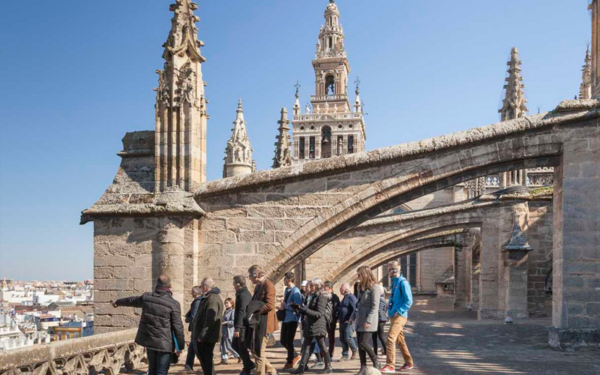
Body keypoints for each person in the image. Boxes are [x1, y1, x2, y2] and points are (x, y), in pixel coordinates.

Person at [111, 275, 184, 375]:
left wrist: (117, 302)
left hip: (150, 342)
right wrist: (180, 347)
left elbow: (132, 301)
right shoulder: (174, 304)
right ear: (170, 286)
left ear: (157, 285)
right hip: (165, 344)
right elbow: (178, 327)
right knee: (162, 372)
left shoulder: (147, 297)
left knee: (152, 371)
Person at [291, 278, 333, 374]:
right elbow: (308, 310)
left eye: (312, 285)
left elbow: (319, 313)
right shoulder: (313, 296)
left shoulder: (322, 296)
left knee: (322, 345)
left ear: (317, 286)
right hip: (310, 324)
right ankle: (301, 368)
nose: (310, 287)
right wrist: (298, 308)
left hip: (318, 324)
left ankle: (328, 367)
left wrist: (305, 310)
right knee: (306, 346)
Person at [380, 261, 414, 372]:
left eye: (389, 269)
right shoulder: (395, 283)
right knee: (400, 340)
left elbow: (409, 301)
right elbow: (394, 299)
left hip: (400, 316)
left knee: (390, 338)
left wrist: (399, 311)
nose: (387, 272)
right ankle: (408, 363)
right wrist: (389, 311)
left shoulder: (403, 283)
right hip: (393, 315)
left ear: (395, 271)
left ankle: (390, 365)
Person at [247, 265, 278, 375]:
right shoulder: (258, 287)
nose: (249, 278)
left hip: (265, 323)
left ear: (256, 275)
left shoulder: (269, 286)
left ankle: (260, 372)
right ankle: (271, 370)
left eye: (250, 276)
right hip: (258, 323)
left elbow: (270, 305)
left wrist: (255, 312)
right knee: (255, 350)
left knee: (259, 351)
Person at [351, 266, 381, 374]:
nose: (358, 277)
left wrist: (368, 320)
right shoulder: (360, 287)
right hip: (359, 319)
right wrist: (352, 317)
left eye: (359, 275)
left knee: (364, 343)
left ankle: (375, 360)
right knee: (360, 345)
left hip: (369, 321)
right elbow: (358, 304)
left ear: (365, 274)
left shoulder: (375, 287)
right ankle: (363, 367)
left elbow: (375, 306)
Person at [193, 278, 224, 375]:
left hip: (207, 337)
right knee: (206, 360)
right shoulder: (210, 297)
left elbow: (210, 320)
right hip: (207, 336)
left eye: (201, 287)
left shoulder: (212, 299)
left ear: (205, 287)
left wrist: (201, 336)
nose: (201, 289)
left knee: (206, 360)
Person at [279, 272, 303, 370]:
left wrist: (286, 306)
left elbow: (298, 306)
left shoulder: (296, 291)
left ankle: (290, 361)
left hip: (293, 319)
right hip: (286, 318)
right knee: (282, 340)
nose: (283, 281)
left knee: (289, 341)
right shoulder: (287, 290)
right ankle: (295, 355)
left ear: (289, 280)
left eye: (284, 279)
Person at [232, 275, 255, 375]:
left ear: (238, 284)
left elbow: (242, 312)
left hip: (243, 327)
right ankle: (249, 365)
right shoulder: (240, 293)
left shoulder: (244, 295)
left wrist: (238, 328)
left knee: (241, 347)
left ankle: (247, 368)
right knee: (235, 345)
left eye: (234, 283)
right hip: (241, 326)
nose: (233, 285)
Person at [337, 283, 358, 361]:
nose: (340, 290)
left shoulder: (351, 297)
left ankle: (355, 349)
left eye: (341, 289)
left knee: (347, 337)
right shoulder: (345, 297)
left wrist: (351, 319)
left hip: (349, 321)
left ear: (346, 289)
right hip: (342, 321)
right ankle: (345, 355)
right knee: (342, 338)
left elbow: (356, 309)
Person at [185, 286, 203, 372]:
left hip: (196, 329)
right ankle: (188, 366)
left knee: (196, 349)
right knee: (192, 348)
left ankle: (205, 366)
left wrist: (187, 319)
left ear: (195, 293)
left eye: (192, 292)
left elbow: (193, 317)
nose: (191, 293)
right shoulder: (198, 301)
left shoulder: (197, 301)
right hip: (195, 329)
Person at [221, 298, 241, 364]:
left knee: (229, 346)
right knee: (223, 345)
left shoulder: (233, 311)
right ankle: (224, 359)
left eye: (227, 303)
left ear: (231, 303)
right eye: (225, 303)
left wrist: (225, 322)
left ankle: (239, 355)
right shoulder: (226, 311)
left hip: (229, 331)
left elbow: (233, 321)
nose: (226, 304)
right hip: (224, 331)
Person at [324, 281, 340, 359]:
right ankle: (322, 353)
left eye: (325, 287)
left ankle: (330, 354)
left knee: (331, 337)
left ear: (329, 288)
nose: (323, 288)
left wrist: (334, 318)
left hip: (331, 320)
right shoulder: (323, 296)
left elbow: (336, 308)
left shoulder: (335, 297)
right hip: (323, 320)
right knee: (322, 337)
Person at [372, 285, 388, 356]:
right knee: (375, 336)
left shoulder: (379, 299)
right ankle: (376, 352)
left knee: (380, 336)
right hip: (381, 319)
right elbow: (385, 309)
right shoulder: (383, 299)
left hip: (379, 319)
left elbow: (377, 309)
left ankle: (386, 351)